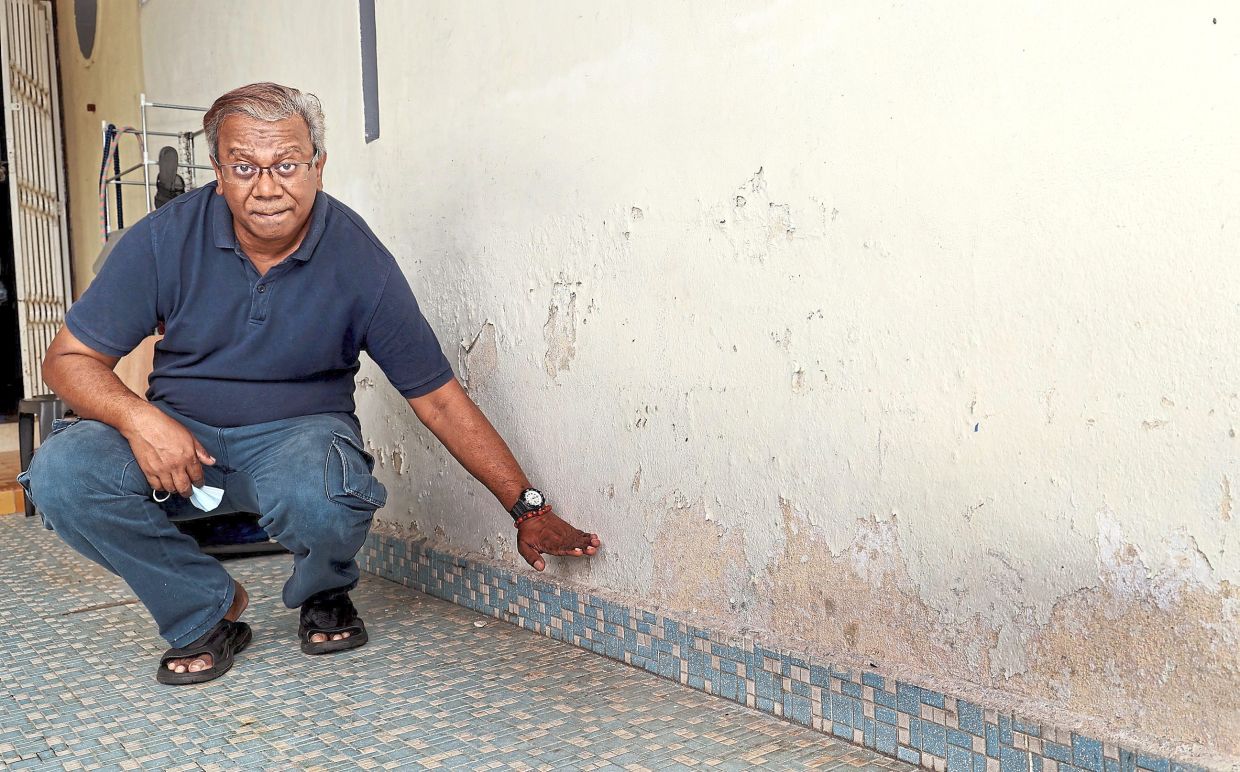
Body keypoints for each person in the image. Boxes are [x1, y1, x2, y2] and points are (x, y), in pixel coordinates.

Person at [19, 82, 601, 685]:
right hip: (178, 438)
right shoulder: (165, 239)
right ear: (218, 171)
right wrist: (140, 419)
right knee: (62, 473)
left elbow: (439, 399)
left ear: (318, 166)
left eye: (287, 165)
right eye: (244, 166)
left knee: (323, 489)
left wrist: (526, 506)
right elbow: (68, 358)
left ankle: (325, 590)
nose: (267, 187)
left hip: (296, 440)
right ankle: (203, 609)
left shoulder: (358, 260)